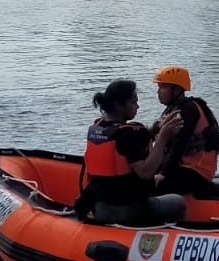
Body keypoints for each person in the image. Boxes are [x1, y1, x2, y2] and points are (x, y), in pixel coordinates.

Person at [78, 79, 186, 225]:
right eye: (133, 102)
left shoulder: (98, 126)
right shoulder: (125, 134)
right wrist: (163, 138)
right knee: (178, 202)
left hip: (100, 208)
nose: (137, 106)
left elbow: (134, 135)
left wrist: (156, 128)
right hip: (129, 210)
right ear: (118, 105)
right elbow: (146, 172)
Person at [150, 65, 219, 198]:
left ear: (177, 89)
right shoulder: (172, 109)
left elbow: (179, 145)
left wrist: (163, 174)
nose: (158, 92)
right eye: (159, 88)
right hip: (183, 167)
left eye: (163, 88)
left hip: (196, 171)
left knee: (153, 187)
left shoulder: (189, 110)